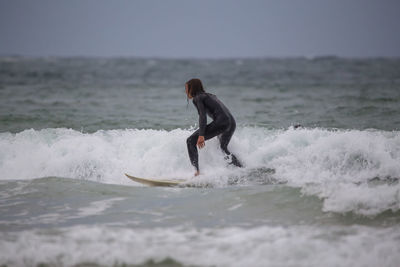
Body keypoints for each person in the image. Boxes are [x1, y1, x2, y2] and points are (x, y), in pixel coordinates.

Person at [185, 78, 243, 176]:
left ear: (192, 88)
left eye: (187, 89)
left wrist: (201, 135)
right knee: (222, 147)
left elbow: (202, 116)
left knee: (190, 141)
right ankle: (241, 170)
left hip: (222, 122)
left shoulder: (198, 98)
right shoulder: (210, 95)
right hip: (231, 122)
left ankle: (196, 172)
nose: (186, 92)